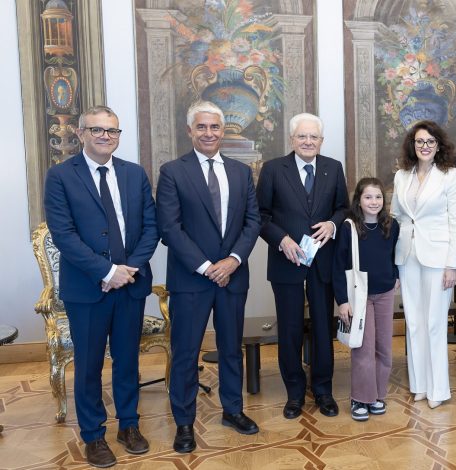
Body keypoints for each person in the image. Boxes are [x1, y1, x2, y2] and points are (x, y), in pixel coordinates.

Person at [43, 105, 159, 467]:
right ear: (81, 134)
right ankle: (93, 435)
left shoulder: (134, 174)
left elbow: (150, 228)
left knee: (127, 360)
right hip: (88, 289)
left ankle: (129, 425)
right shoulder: (61, 176)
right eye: (97, 130)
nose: (106, 136)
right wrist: (107, 272)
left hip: (131, 285)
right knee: (89, 364)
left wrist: (129, 269)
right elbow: (64, 235)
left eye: (112, 131)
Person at [156, 101, 262, 453]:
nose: (208, 133)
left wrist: (232, 261)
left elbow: (252, 222)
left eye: (214, 127)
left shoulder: (241, 172)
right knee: (186, 353)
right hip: (191, 280)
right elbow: (169, 228)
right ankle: (184, 423)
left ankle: (233, 410)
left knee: (231, 349)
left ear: (222, 130)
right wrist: (206, 266)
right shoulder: (172, 171)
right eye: (201, 127)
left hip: (233, 277)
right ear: (190, 131)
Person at [257, 113, 349, 419]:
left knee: (324, 329)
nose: (308, 142)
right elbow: (260, 215)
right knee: (290, 330)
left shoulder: (333, 168)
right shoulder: (272, 169)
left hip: (323, 262)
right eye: (302, 136)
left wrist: (333, 226)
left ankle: (323, 390)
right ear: (292, 139)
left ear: (321, 141)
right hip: (287, 261)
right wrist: (281, 239)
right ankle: (294, 393)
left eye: (314, 137)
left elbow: (343, 207)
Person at [392, 120, 456, 409]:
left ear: (438, 146)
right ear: (413, 145)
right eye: (420, 142)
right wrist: (391, 262)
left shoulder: (450, 175)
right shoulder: (401, 176)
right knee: (414, 323)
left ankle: (438, 389)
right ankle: (419, 385)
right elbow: (397, 218)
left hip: (438, 259)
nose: (425, 146)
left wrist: (452, 265)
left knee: (435, 323)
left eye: (430, 142)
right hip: (407, 256)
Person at [332, 178, 400, 421]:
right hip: (360, 297)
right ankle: (360, 398)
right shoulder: (348, 228)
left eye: (378, 197)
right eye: (368, 197)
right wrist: (342, 301)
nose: (374, 202)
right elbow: (338, 266)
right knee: (363, 348)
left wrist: (395, 277)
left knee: (384, 348)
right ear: (359, 201)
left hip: (385, 293)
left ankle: (377, 395)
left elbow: (394, 256)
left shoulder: (392, 226)